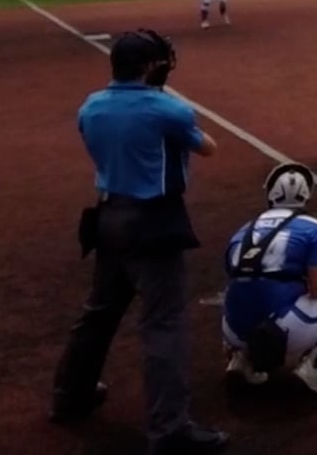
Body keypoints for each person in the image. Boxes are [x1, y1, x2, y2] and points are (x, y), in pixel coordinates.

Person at [50, 31, 228, 453]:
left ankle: (69, 396)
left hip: (108, 216)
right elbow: (208, 148)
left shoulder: (91, 105)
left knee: (98, 314)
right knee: (163, 324)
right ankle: (170, 429)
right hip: (153, 222)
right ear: (150, 66)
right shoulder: (169, 109)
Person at [222, 163, 317, 393]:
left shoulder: (243, 229)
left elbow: (233, 276)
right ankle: (313, 368)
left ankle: (240, 357)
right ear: (305, 196)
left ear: (271, 194)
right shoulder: (312, 227)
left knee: (242, 291)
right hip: (279, 330)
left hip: (234, 328)